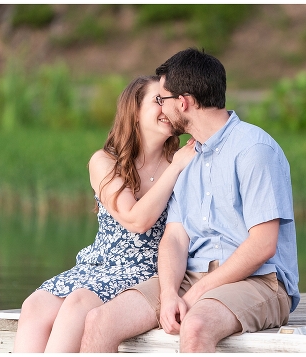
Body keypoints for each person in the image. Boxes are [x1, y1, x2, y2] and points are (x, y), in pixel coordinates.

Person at [81, 48, 300, 353]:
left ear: (182, 102)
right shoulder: (186, 157)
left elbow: (263, 245)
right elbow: (174, 237)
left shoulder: (254, 149)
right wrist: (170, 292)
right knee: (99, 321)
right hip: (191, 277)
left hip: (261, 281)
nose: (162, 107)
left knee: (195, 326)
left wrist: (201, 291)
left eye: (163, 98)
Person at [13, 76, 196, 352]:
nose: (165, 108)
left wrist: (178, 164)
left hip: (149, 271)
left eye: (168, 101)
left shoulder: (182, 163)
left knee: (78, 305)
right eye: (157, 100)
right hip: (99, 264)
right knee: (34, 305)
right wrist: (176, 167)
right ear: (133, 112)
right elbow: (135, 219)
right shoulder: (105, 162)